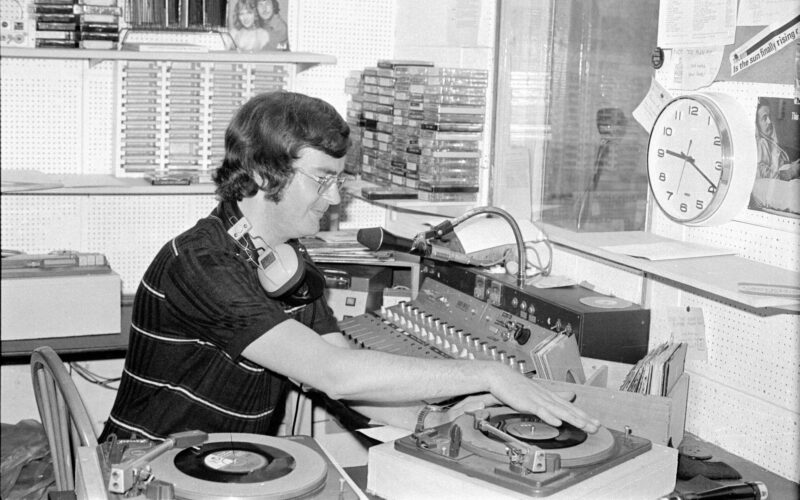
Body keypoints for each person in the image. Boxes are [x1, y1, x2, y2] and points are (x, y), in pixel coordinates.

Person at [99, 91, 600, 443]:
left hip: (223, 464)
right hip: (153, 472)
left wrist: (428, 420)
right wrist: (489, 374)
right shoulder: (203, 264)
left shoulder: (286, 256)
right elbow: (334, 374)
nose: (335, 197)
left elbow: (338, 362)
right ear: (259, 174)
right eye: (322, 179)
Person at [755, 100, 799, 181]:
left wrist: (794, 166)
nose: (770, 121)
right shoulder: (761, 142)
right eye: (764, 118)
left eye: (770, 116)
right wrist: (791, 172)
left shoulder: (770, 142)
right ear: (757, 124)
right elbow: (760, 171)